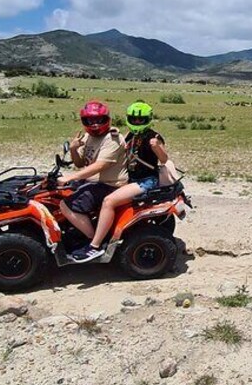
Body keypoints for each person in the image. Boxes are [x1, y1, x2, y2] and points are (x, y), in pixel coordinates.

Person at [68, 100, 179, 263]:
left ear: (148, 119)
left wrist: (157, 147)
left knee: (109, 201)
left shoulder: (154, 137)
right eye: (134, 119)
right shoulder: (130, 135)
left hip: (146, 181)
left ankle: (95, 246)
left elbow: (163, 159)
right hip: (132, 178)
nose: (137, 122)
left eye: (141, 120)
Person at [58, 100, 127, 259]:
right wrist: (74, 149)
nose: (95, 125)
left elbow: (100, 166)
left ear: (107, 119)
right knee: (58, 194)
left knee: (66, 205)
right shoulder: (89, 137)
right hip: (93, 182)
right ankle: (76, 232)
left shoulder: (113, 138)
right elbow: (80, 163)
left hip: (110, 185)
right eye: (90, 121)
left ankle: (94, 243)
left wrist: (71, 177)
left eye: (99, 120)